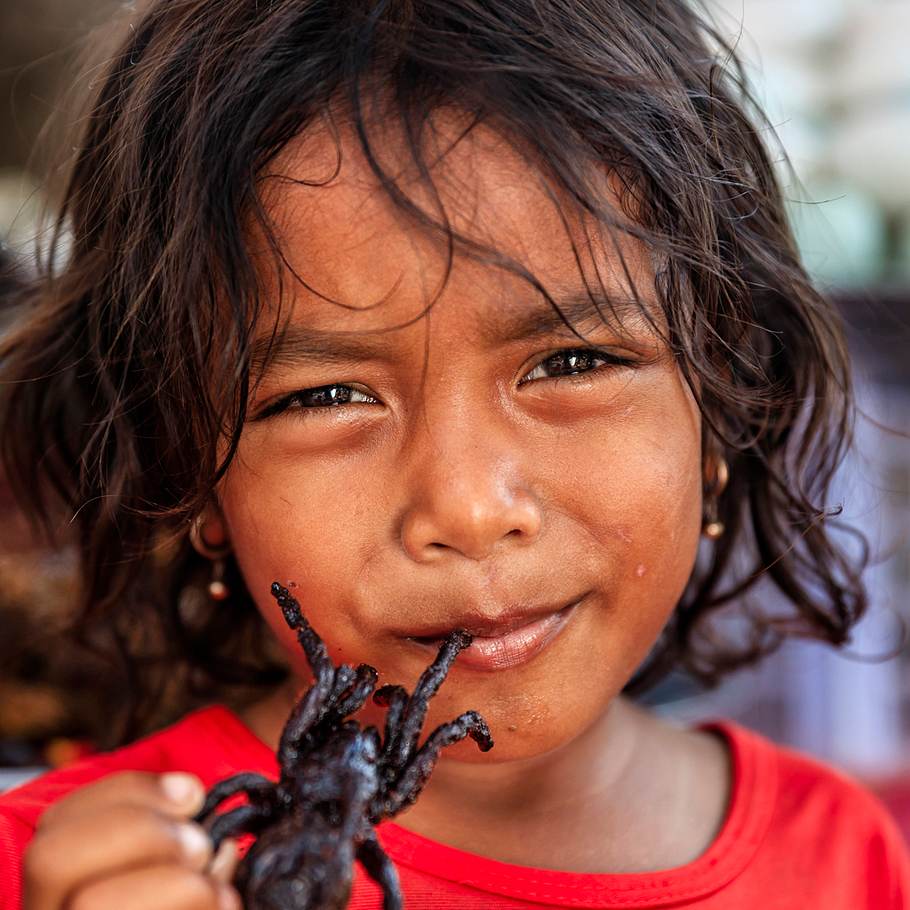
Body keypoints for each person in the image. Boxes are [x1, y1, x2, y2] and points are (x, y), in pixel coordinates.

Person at [1, 0, 907, 907]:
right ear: (190, 472)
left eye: (572, 362)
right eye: (326, 396)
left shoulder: (848, 859)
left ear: (718, 406)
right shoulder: (67, 875)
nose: (470, 509)